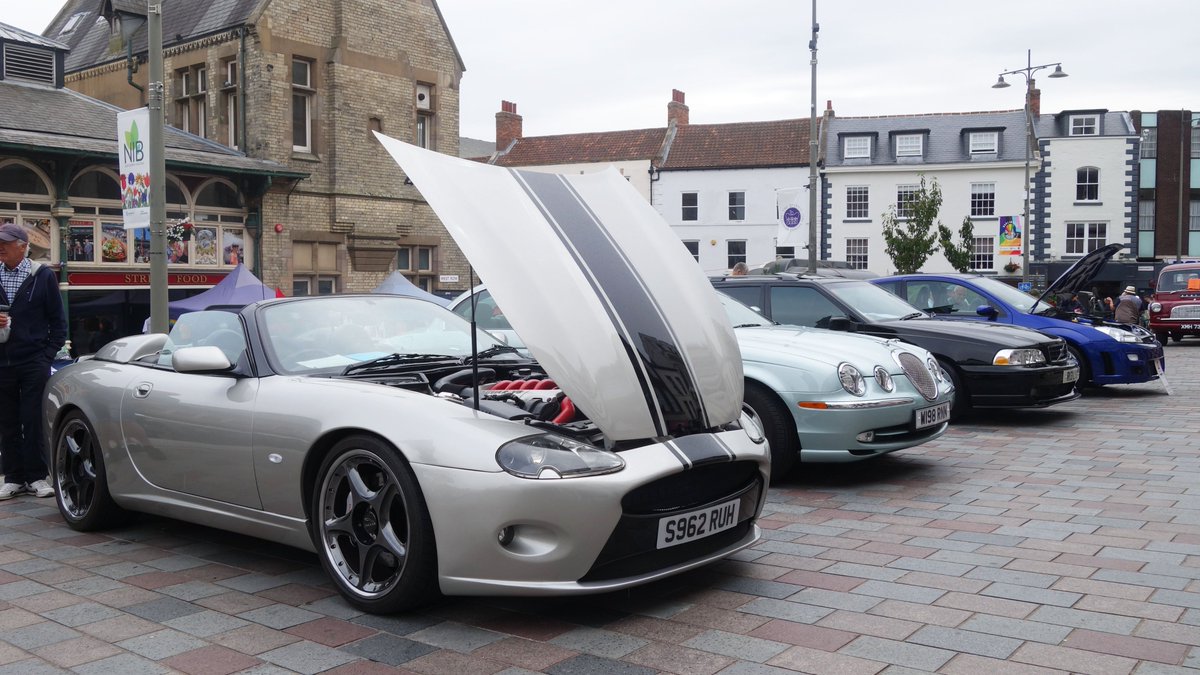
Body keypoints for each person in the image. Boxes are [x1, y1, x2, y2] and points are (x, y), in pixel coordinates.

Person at [0, 223, 67, 499]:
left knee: (33, 419)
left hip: (32, 362)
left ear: (22, 245)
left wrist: (45, 356)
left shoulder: (43, 276)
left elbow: (58, 322)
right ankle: (13, 478)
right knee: (7, 421)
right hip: (2, 362)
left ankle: (38, 477)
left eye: (5, 242)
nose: (0, 247)